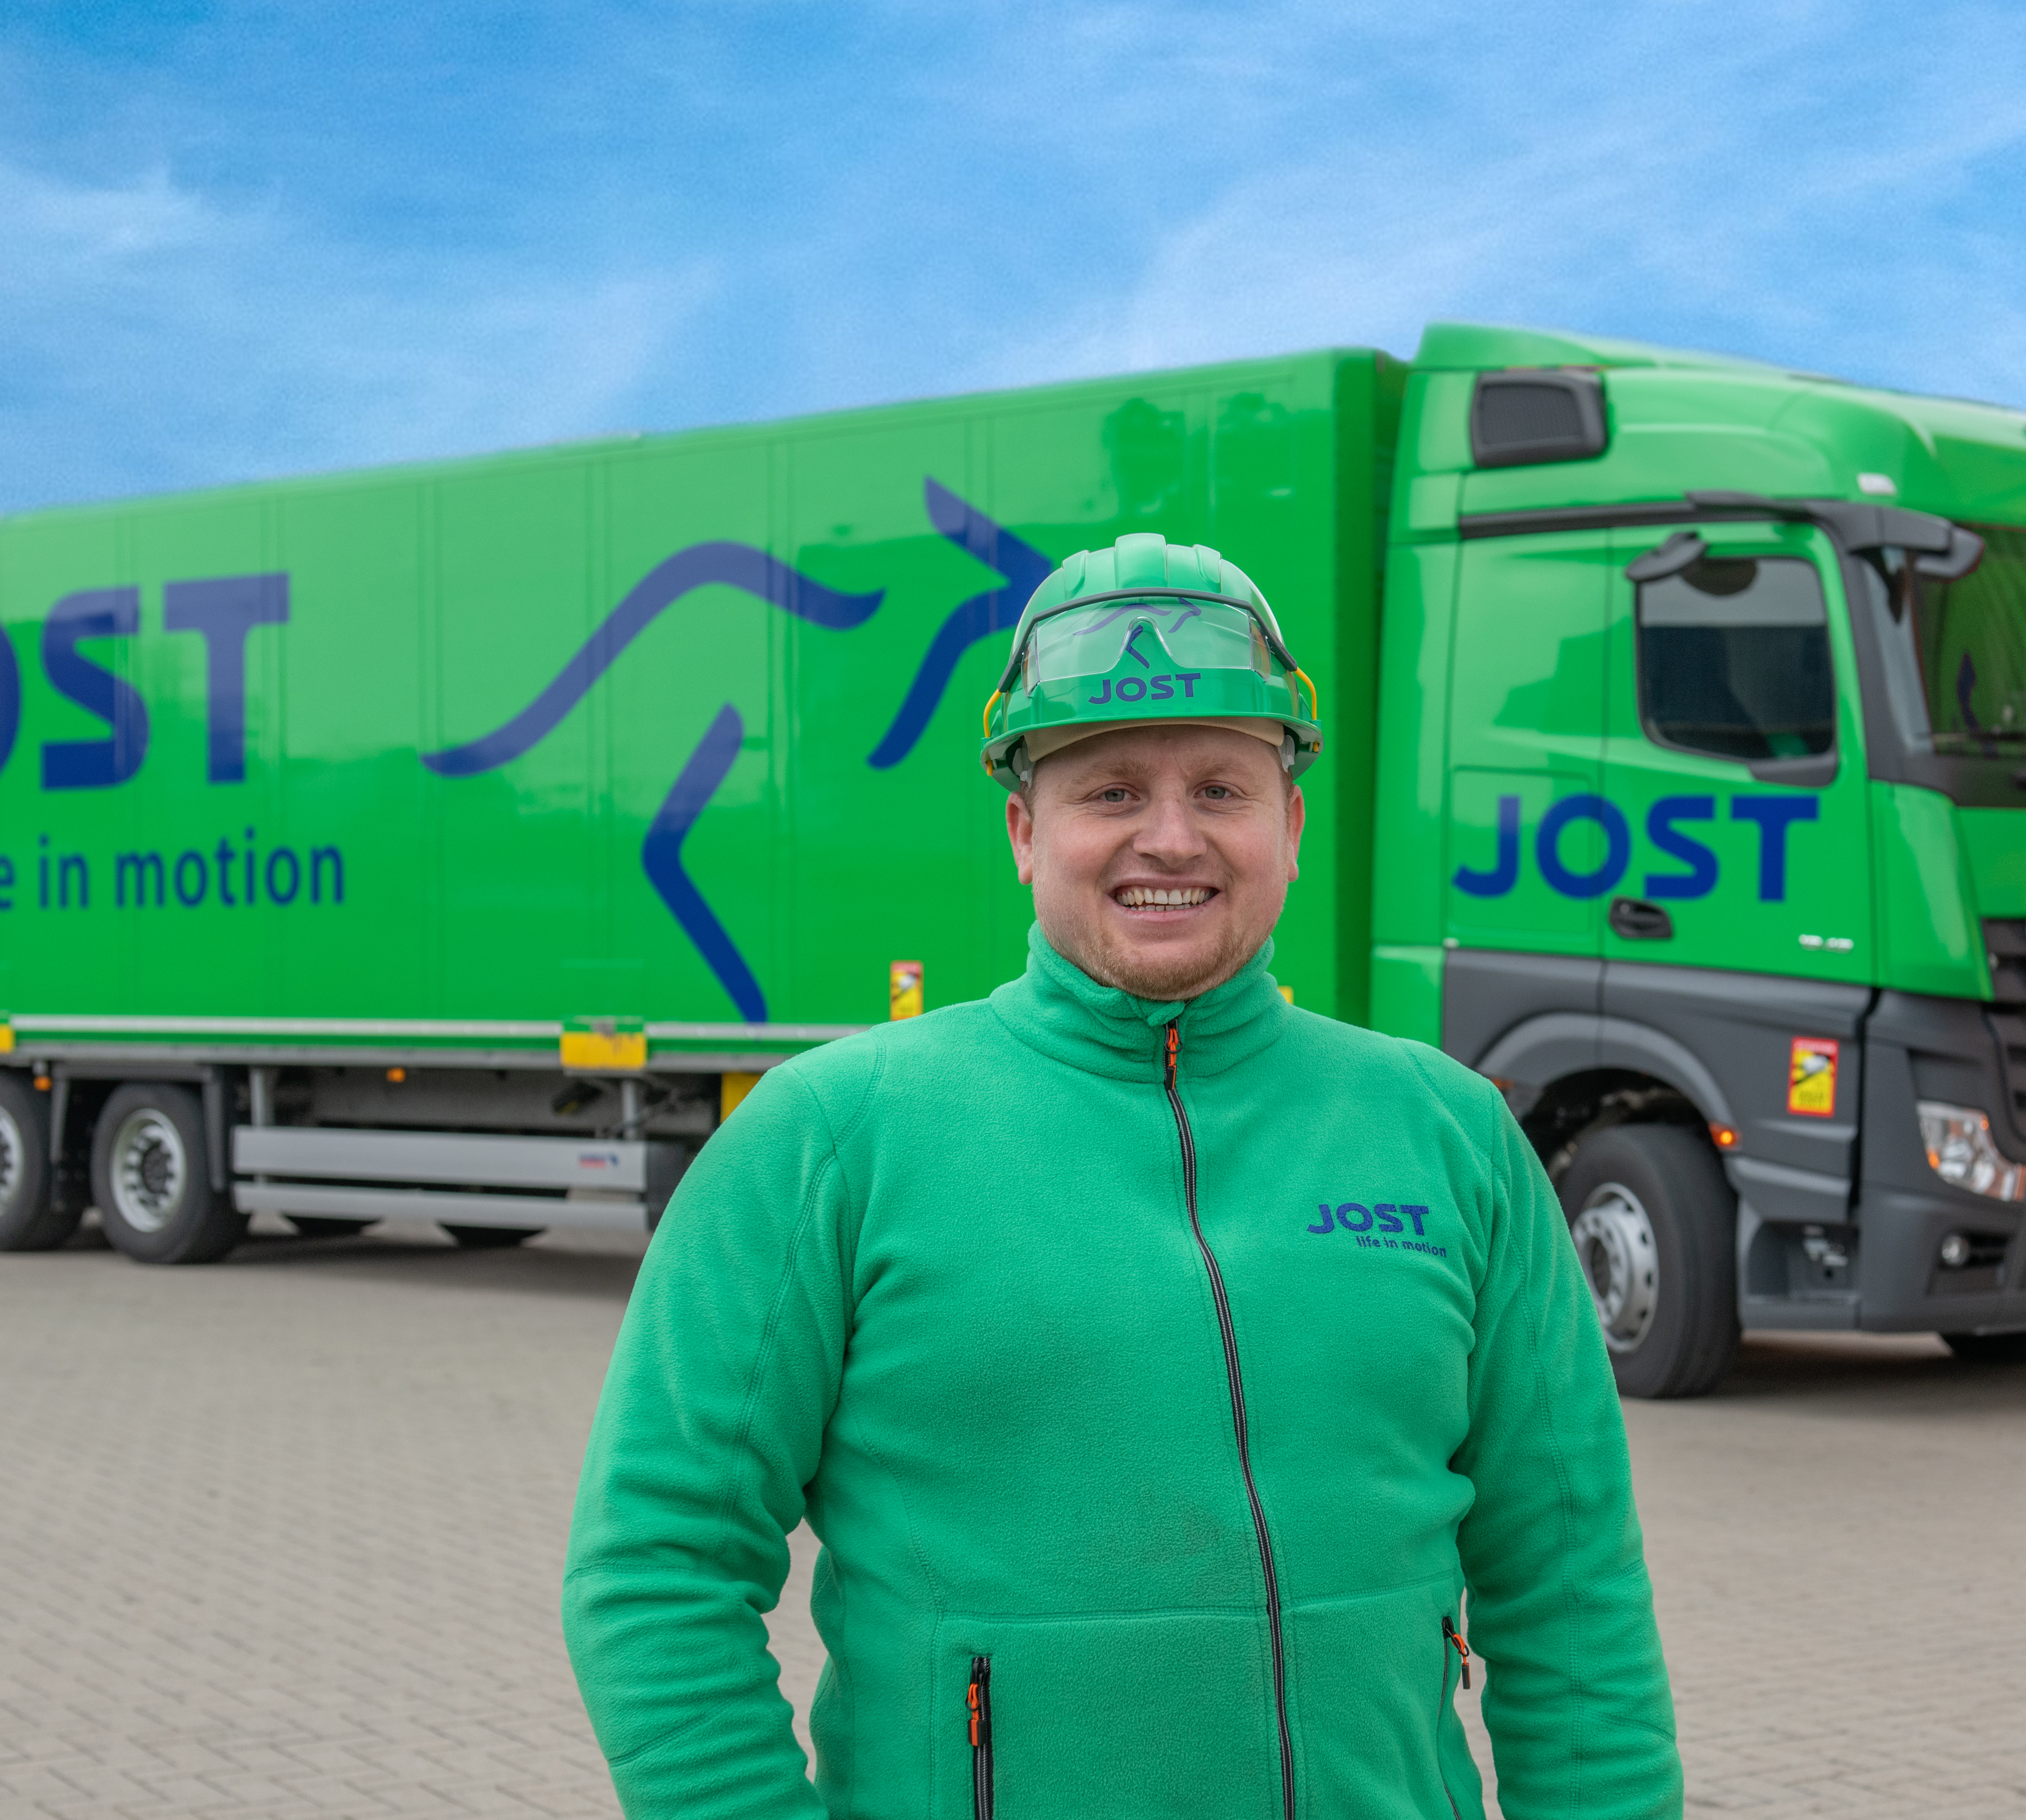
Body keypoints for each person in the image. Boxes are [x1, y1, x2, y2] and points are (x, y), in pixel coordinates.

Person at [563, 534, 1683, 1820]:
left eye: (1221, 787)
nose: (1172, 837)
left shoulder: (1449, 1133)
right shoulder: (832, 1138)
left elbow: (1569, 1584)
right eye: (1110, 793)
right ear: (1024, 830)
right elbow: (656, 1573)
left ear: (1292, 823)